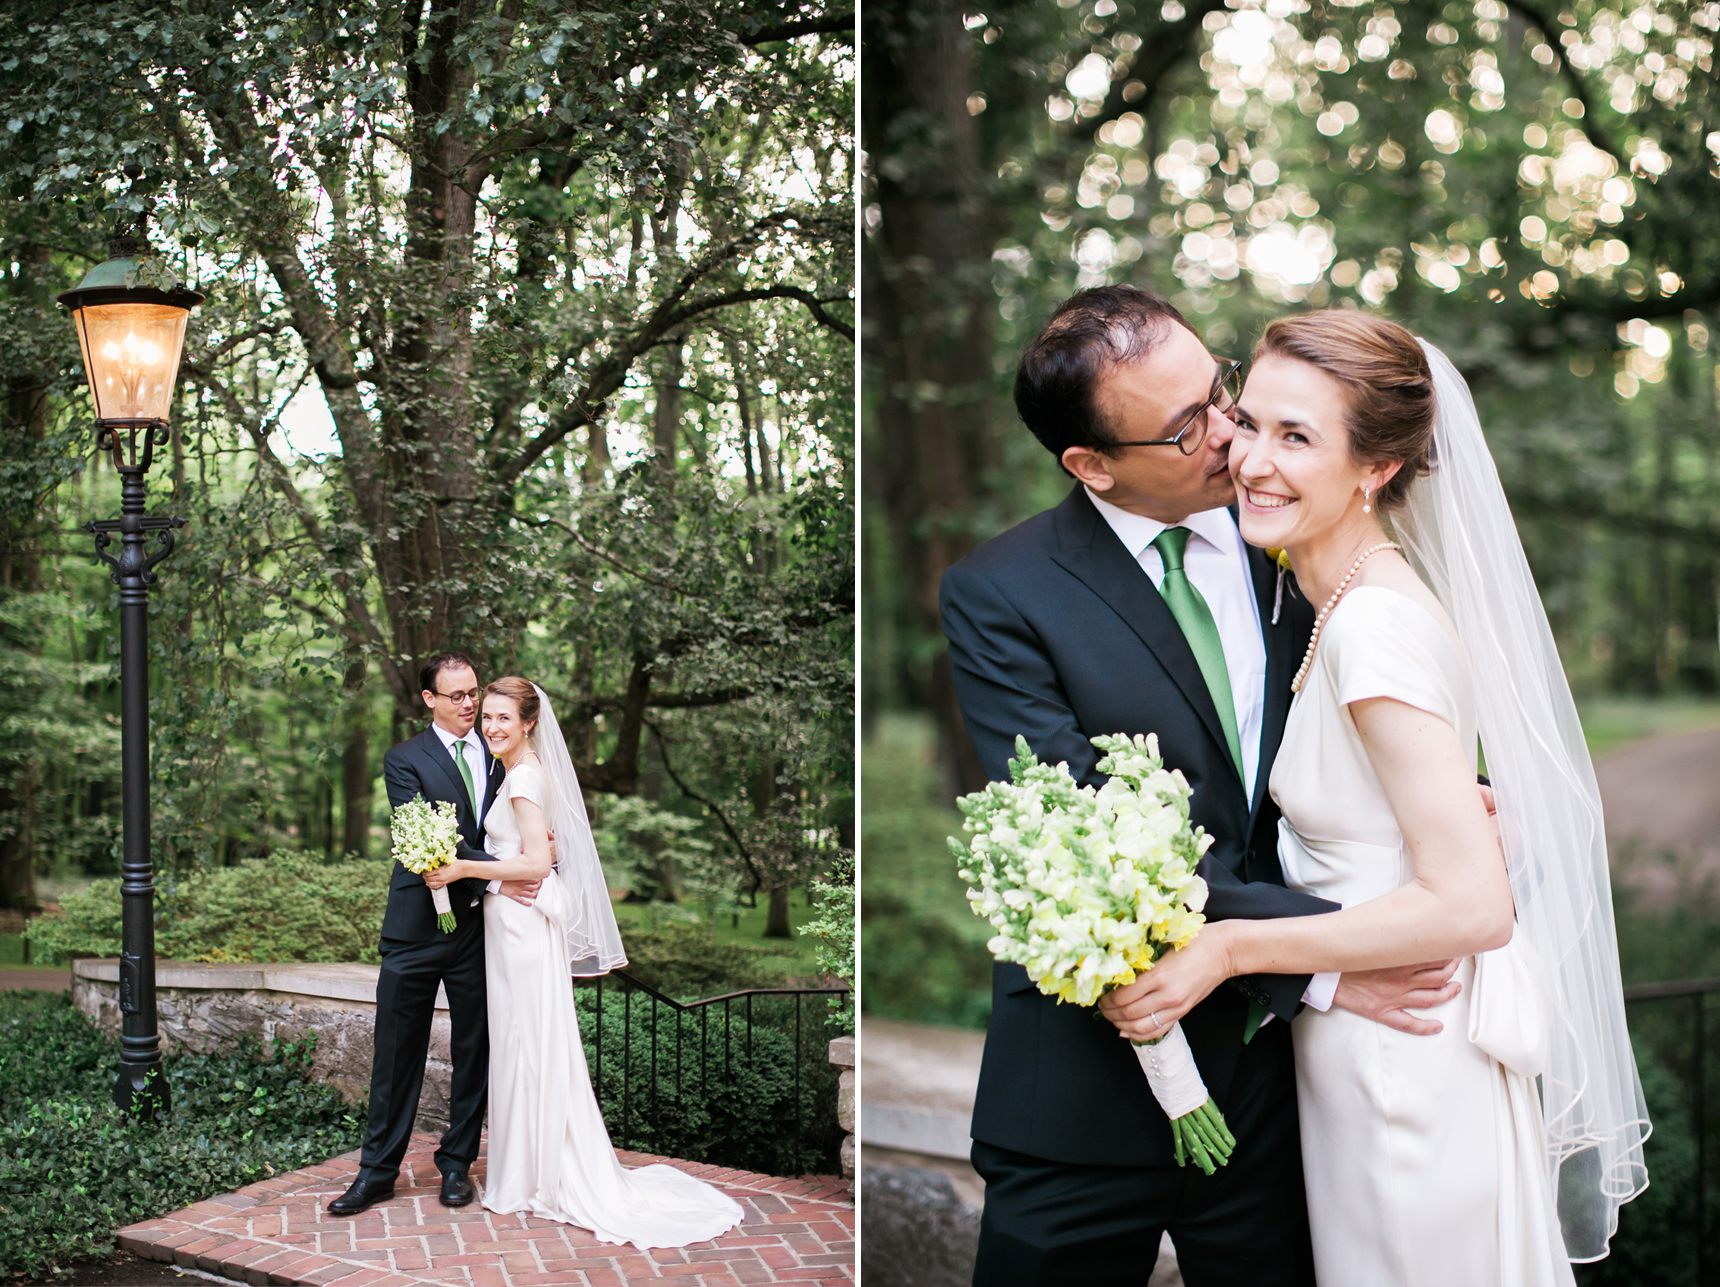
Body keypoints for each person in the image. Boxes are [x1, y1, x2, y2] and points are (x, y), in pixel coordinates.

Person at [1100, 311, 1649, 1284]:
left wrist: (1230, 946)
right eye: (1249, 421)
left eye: (1297, 437)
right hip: (1362, 1056)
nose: (1250, 461)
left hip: (1409, 1073)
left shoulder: (1372, 630)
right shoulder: (1335, 603)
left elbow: (1470, 905)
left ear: (1376, 469)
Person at [939, 286, 1463, 1285]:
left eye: (1220, 392)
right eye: (1190, 428)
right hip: (1086, 1092)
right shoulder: (1001, 595)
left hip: (1295, 1089)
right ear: (1090, 464)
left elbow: (1391, 719)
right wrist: (1312, 962)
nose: (1234, 438)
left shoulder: (1303, 542)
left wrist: (1460, 794)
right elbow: (1085, 836)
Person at [422, 677, 743, 1248]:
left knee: (527, 1044)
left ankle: (535, 1178)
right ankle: (530, 1168)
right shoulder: (520, 771)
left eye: (503, 718)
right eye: (486, 717)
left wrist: (464, 870)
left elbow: (537, 866)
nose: (491, 726)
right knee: (525, 1042)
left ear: (528, 723)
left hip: (520, 930)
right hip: (513, 928)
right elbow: (545, 850)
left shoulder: (521, 777)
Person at [328, 651, 542, 1217]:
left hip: (478, 932)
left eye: (474, 693)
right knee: (395, 1055)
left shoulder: (503, 754)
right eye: (457, 696)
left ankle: (456, 1166)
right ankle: (376, 1173)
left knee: (474, 1049)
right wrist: (498, 882)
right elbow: (430, 837)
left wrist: (497, 884)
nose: (471, 705)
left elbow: (525, 831)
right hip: (414, 929)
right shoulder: (403, 760)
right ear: (429, 700)